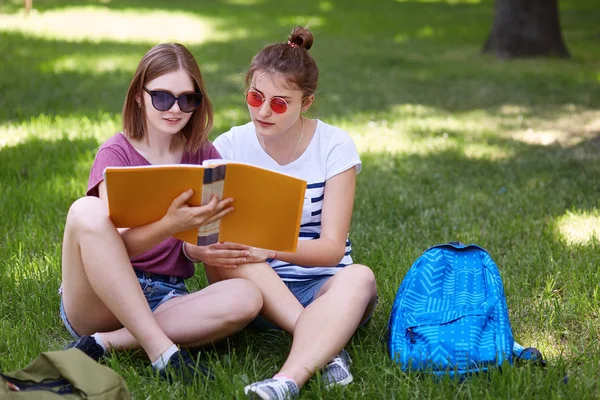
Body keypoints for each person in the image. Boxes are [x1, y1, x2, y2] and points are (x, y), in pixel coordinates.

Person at [184, 27, 378, 398]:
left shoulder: (334, 145)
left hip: (326, 290)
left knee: (362, 277)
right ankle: (325, 344)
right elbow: (201, 236)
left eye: (279, 103)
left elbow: (333, 249)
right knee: (233, 251)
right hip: (253, 291)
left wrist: (271, 249)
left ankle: (285, 381)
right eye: (255, 97)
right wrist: (202, 249)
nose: (262, 111)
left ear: (305, 103)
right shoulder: (228, 146)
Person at [59, 43, 263, 381]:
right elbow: (117, 249)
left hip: (166, 298)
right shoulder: (116, 154)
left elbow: (207, 236)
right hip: (101, 299)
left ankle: (104, 344)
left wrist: (195, 248)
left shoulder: (202, 153)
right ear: (139, 95)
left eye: (187, 99)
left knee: (246, 297)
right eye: (163, 97)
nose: (175, 109)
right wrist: (170, 225)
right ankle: (163, 354)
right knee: (85, 210)